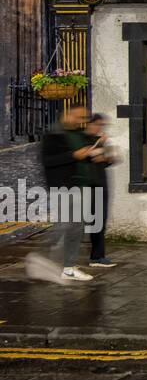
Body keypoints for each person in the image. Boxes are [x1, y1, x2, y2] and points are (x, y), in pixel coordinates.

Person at [25, 105, 98, 283]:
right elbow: (47, 161)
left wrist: (93, 154)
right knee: (66, 225)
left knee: (76, 226)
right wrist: (74, 155)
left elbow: (82, 156)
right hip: (64, 187)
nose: (82, 121)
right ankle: (41, 256)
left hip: (80, 185)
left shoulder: (79, 134)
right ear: (68, 114)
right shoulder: (53, 135)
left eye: (85, 118)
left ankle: (68, 267)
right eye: (79, 117)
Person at [82, 113, 119, 268]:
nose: (99, 128)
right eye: (97, 125)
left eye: (102, 125)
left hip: (101, 184)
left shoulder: (101, 141)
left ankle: (97, 256)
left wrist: (105, 156)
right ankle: (95, 256)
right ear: (89, 124)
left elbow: (112, 159)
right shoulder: (83, 140)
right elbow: (83, 156)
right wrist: (98, 147)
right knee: (91, 221)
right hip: (88, 186)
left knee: (100, 221)